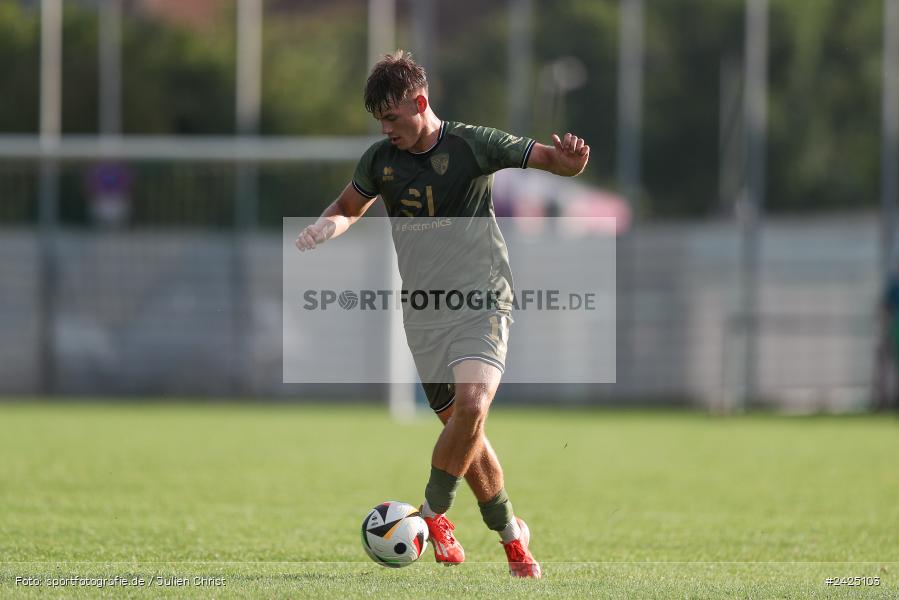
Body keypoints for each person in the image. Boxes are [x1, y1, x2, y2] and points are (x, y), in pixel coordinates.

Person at [296, 50, 589, 578]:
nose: (387, 130)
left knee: (473, 406)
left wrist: (567, 164)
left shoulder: (472, 144)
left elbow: (546, 159)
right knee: (463, 433)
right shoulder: (379, 161)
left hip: (483, 299)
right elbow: (346, 209)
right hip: (425, 312)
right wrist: (324, 227)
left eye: (392, 118)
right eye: (379, 121)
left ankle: (431, 515)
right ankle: (511, 536)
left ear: (420, 102)